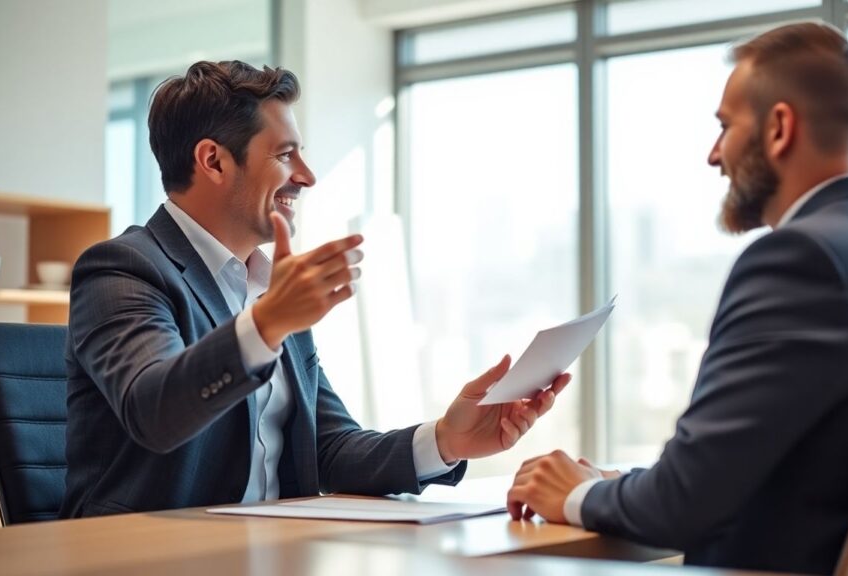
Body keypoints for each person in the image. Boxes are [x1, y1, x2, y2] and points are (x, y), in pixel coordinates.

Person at [505, 21, 848, 576]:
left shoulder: (799, 261)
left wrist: (571, 495)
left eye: (726, 126)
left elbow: (678, 506)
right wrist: (619, 488)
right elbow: (786, 477)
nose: (714, 155)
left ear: (779, 128)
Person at [61, 60, 568, 518]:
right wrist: (267, 323)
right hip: (144, 558)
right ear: (213, 161)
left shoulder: (271, 287)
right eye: (286, 155)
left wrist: (445, 440)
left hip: (272, 553)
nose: (307, 176)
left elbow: (326, 448)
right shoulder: (123, 269)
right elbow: (155, 411)